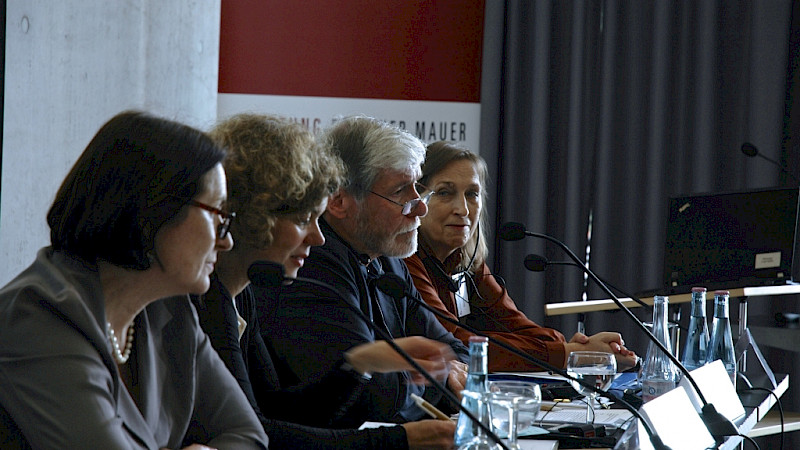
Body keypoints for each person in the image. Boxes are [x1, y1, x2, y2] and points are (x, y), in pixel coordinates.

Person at [0, 111, 268, 449]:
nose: (226, 241)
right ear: (152, 212)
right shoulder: (38, 316)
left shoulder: (170, 309)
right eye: (218, 214)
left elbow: (251, 437)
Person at [192, 113, 456, 449]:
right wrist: (395, 441)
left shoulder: (239, 295)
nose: (317, 238)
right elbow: (256, 434)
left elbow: (280, 410)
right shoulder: (211, 296)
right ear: (255, 216)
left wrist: (359, 364)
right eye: (304, 219)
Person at [253, 116, 470, 428]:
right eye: (400, 191)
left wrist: (440, 370)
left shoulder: (388, 258)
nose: (420, 207)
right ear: (340, 201)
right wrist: (440, 377)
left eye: (417, 188)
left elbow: (454, 350)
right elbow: (373, 398)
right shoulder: (310, 262)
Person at [404, 141, 638, 372]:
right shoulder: (405, 261)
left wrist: (574, 349)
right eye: (445, 192)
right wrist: (570, 354)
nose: (463, 209)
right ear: (418, 200)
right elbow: (453, 344)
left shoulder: (468, 262)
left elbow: (517, 326)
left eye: (472, 194)